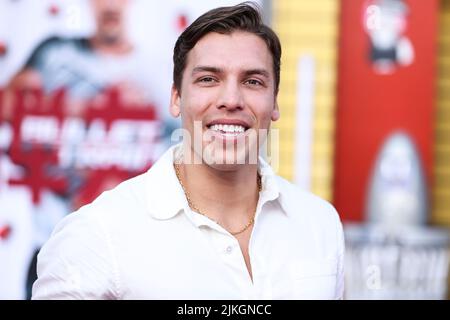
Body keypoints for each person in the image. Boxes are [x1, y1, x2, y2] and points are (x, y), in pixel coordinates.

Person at [31, 3, 345, 300]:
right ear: (176, 98)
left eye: (252, 81)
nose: (231, 99)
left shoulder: (320, 224)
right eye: (208, 79)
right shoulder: (96, 234)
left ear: (274, 102)